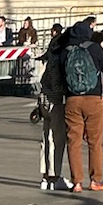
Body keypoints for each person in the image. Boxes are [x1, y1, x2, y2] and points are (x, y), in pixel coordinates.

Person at [61, 19, 103, 190]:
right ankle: (95, 180)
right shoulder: (94, 48)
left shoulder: (65, 51)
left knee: (74, 142)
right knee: (95, 141)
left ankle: (77, 182)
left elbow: (61, 74)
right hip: (93, 100)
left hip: (72, 99)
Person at [36, 25, 72, 192]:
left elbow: (44, 81)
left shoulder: (50, 56)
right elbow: (57, 85)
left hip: (44, 99)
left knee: (46, 138)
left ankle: (44, 177)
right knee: (57, 140)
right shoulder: (58, 59)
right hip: (55, 102)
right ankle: (54, 176)